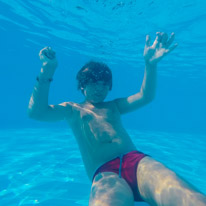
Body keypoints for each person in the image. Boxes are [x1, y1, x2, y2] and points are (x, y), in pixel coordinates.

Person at [28, 32, 206, 206]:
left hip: (137, 163)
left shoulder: (114, 106)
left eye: (104, 84)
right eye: (93, 83)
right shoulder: (72, 109)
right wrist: (47, 69)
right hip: (105, 173)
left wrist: (150, 65)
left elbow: (146, 96)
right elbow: (37, 112)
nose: (99, 89)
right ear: (82, 86)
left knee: (190, 199)